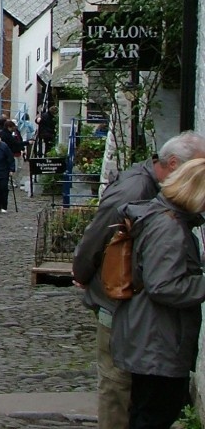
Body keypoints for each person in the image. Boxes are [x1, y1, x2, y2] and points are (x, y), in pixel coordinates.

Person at [72, 131, 205, 429]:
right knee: (121, 393)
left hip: (141, 319)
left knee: (136, 401)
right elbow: (98, 235)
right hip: (128, 311)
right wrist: (81, 273)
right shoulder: (142, 196)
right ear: (175, 166)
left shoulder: (161, 207)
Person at [110, 158, 205, 428]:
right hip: (158, 339)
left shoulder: (164, 218)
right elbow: (163, 285)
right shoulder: (169, 226)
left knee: (148, 411)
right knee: (154, 413)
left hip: (152, 336)